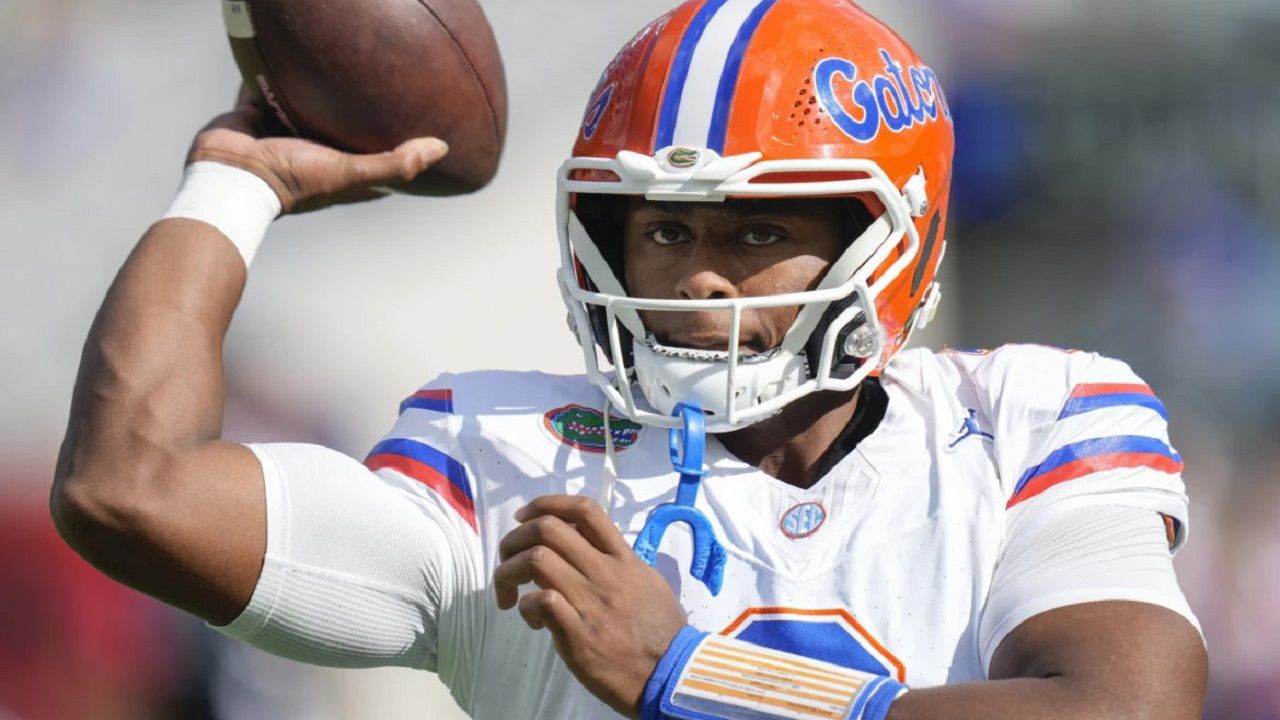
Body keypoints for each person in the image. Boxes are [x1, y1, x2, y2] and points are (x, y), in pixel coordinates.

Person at [50, 1, 1208, 718]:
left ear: (888, 242)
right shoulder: (502, 459)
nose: (697, 277)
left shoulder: (1027, 418)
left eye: (755, 232)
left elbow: (1123, 712)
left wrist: (684, 672)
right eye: (661, 231)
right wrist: (235, 182)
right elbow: (127, 487)